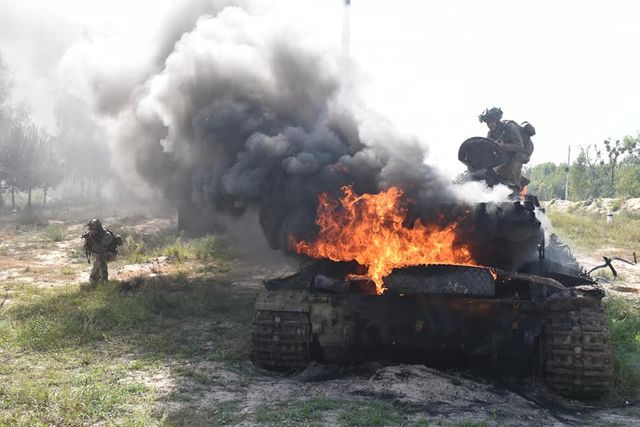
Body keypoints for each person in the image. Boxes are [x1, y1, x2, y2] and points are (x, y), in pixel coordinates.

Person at [478, 107, 531, 192]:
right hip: (508, 152)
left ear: (497, 120)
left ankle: (515, 188)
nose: (490, 125)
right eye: (488, 123)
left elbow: (519, 146)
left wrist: (503, 146)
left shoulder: (509, 127)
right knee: (497, 169)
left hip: (524, 150)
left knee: (514, 162)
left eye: (492, 122)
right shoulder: (490, 134)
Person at [82, 218, 122, 285]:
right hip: (100, 255)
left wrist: (90, 239)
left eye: (91, 228)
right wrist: (87, 240)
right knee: (98, 262)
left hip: (111, 254)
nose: (90, 230)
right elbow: (86, 248)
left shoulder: (106, 235)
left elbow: (100, 249)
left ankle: (104, 280)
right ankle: (94, 279)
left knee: (100, 257)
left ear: (96, 228)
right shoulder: (93, 234)